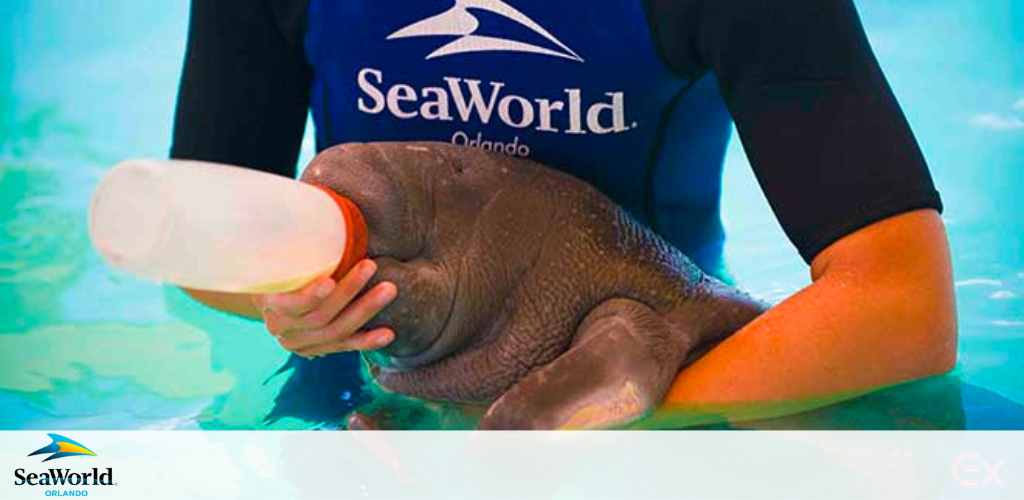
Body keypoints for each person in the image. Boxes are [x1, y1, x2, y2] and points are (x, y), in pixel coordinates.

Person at [171, 0, 957, 424]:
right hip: (364, 384)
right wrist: (290, 299)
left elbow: (902, 308)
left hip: (659, 353)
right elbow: (197, 243)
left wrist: (593, 409)